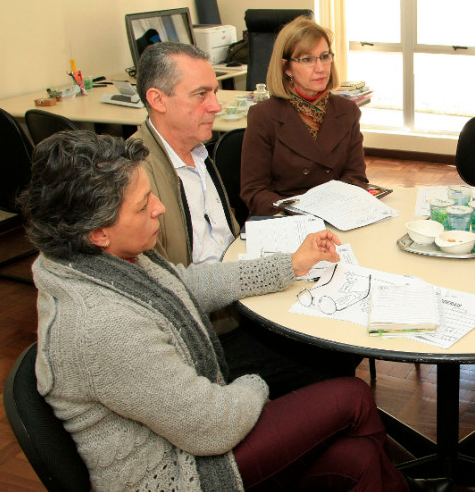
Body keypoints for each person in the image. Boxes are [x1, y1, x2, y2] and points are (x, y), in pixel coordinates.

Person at [20, 131, 408, 491]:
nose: (158, 209)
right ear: (98, 232)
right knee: (353, 397)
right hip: (183, 473)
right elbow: (213, 426)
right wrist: (258, 384)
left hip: (188, 434)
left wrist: (291, 263)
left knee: (357, 458)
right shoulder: (99, 325)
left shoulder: (100, 262)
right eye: (142, 205)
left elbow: (186, 285)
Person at [131, 41, 359, 397]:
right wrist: (285, 267)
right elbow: (165, 289)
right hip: (209, 332)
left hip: (241, 301)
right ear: (158, 100)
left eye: (215, 92)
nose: (216, 106)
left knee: (342, 324)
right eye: (201, 95)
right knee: (335, 355)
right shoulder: (136, 182)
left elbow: (226, 239)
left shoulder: (197, 153)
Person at [241, 15, 369, 215]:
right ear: (286, 68)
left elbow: (355, 176)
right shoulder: (263, 116)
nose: (320, 68)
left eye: (325, 56)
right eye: (307, 59)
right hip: (286, 218)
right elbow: (254, 191)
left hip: (337, 214)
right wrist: (301, 210)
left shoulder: (347, 111)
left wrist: (337, 207)